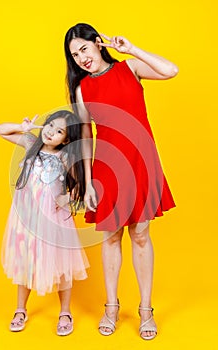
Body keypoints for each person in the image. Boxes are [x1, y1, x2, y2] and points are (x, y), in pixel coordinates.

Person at [64, 23, 178, 339]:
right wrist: (87, 183)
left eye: (84, 49)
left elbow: (171, 70)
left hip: (142, 161)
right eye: (75, 55)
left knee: (141, 236)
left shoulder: (130, 67)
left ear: (98, 43)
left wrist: (131, 48)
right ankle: (111, 308)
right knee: (111, 236)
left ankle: (145, 311)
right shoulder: (83, 89)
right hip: (108, 168)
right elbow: (85, 136)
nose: (81, 58)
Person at [0, 111, 89, 336]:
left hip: (54, 220)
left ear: (65, 140)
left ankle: (65, 312)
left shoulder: (65, 157)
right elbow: (0, 129)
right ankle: (20, 309)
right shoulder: (31, 144)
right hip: (26, 218)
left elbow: (78, 186)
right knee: (25, 261)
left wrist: (65, 199)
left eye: (59, 132)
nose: (51, 132)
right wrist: (23, 127)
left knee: (61, 264)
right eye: (50, 125)